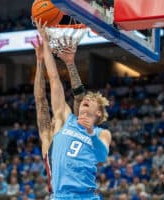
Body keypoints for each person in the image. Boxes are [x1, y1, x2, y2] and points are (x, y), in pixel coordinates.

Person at [35, 19, 112, 199]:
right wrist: (46, 42)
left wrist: (91, 133)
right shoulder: (66, 119)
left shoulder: (102, 133)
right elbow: (54, 80)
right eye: (86, 98)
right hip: (60, 196)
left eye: (91, 100)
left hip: (86, 196)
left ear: (99, 112)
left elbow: (101, 156)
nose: (86, 99)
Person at [31, 29, 86, 193]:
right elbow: (40, 101)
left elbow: (77, 97)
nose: (53, 117)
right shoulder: (47, 139)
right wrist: (40, 61)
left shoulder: (72, 129)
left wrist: (69, 63)